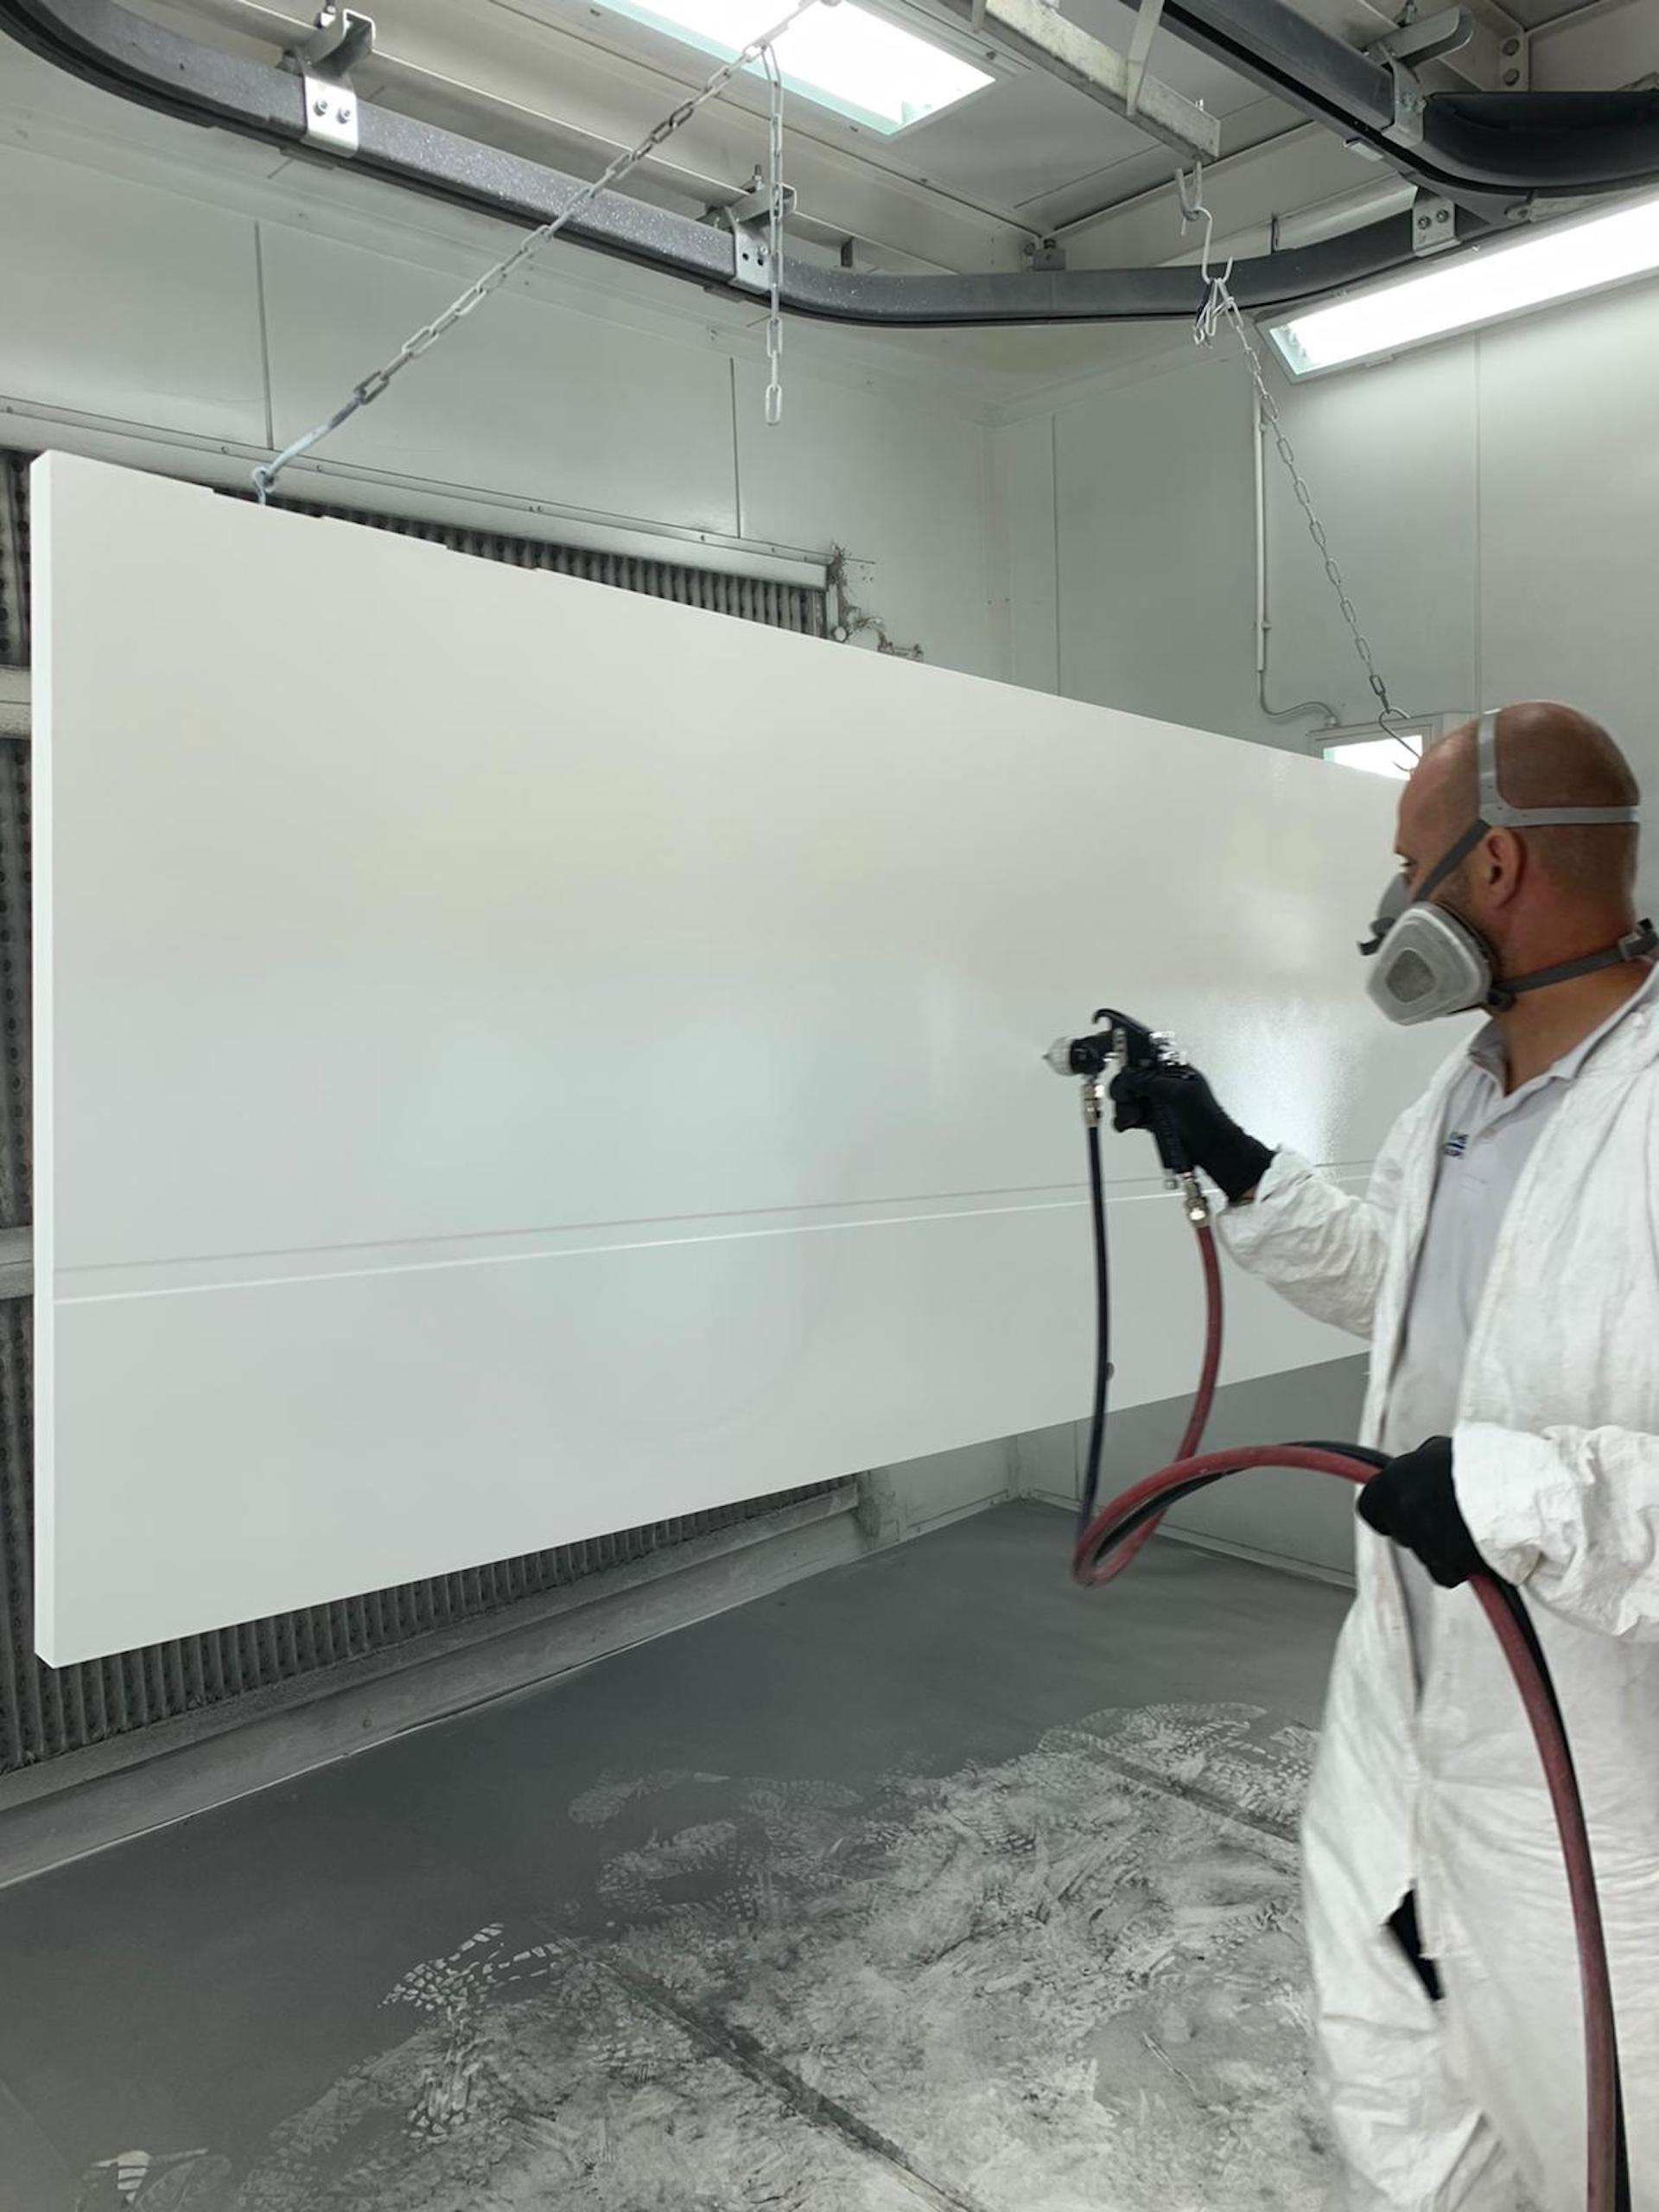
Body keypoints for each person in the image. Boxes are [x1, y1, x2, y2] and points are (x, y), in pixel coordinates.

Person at [1112, 701, 1659, 2212]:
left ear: (1496, 867)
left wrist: (1524, 1492)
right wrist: (1230, 1156)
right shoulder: (1465, 1096)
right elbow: (1404, 1286)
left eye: (1410, 864)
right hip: (1401, 1695)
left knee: (1603, 2128)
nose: (1391, 903)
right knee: (1397, 2082)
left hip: (1590, 1771)